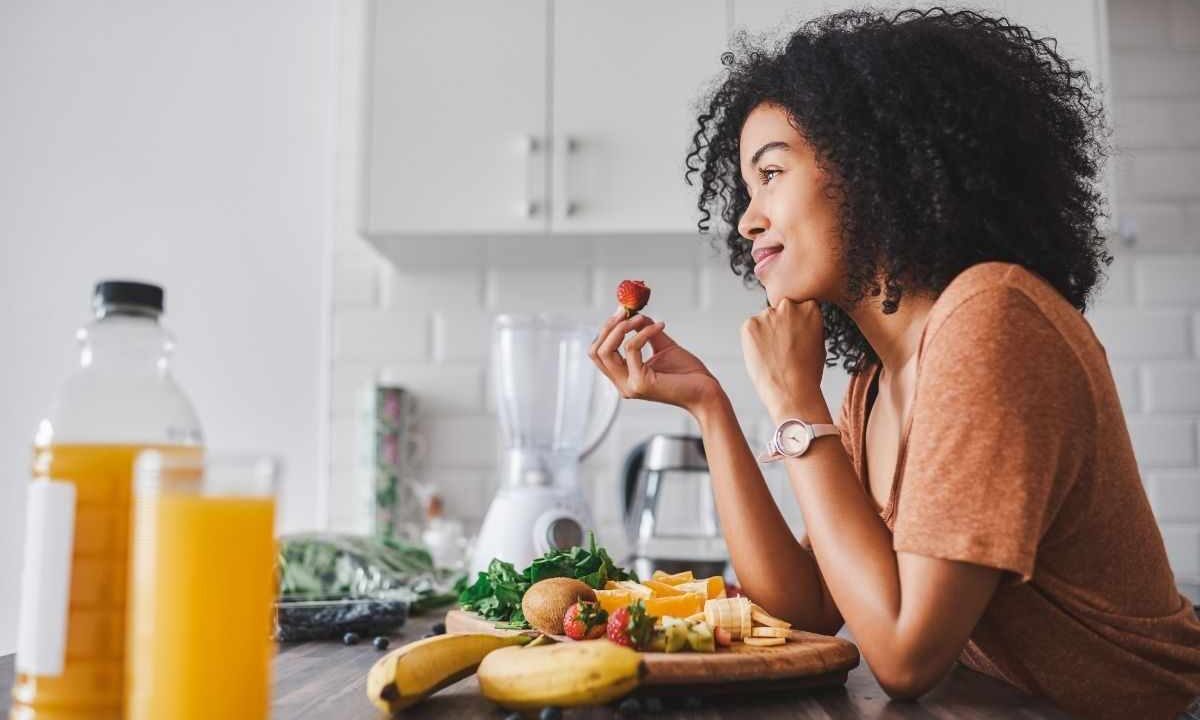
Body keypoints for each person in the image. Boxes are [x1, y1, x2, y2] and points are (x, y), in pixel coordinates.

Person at [588, 9, 1200, 720]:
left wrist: (795, 404)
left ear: (875, 167)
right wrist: (709, 405)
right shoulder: (872, 384)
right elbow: (808, 608)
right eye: (746, 190)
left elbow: (904, 656)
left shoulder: (992, 320)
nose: (747, 220)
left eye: (773, 173)